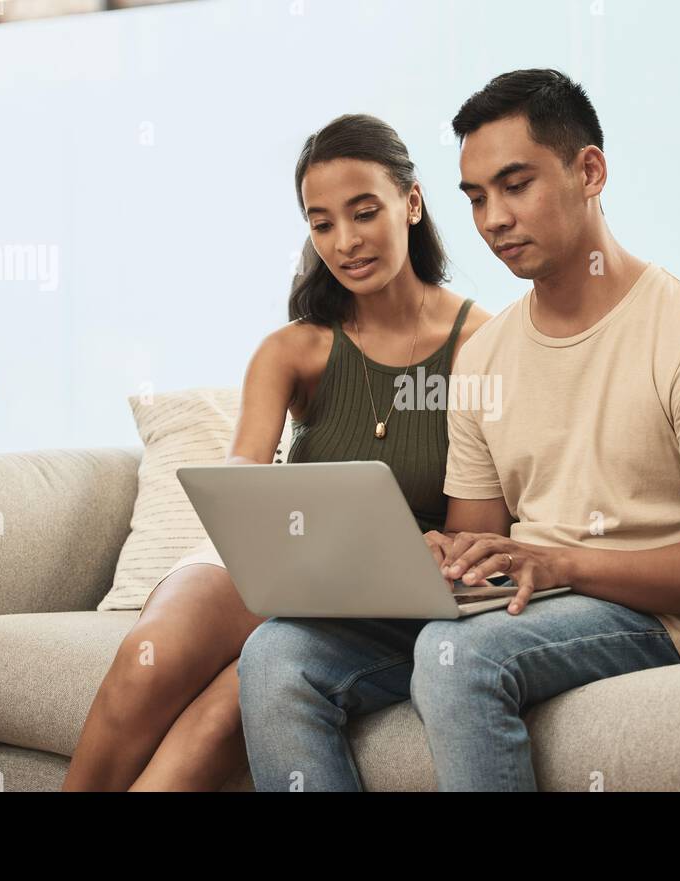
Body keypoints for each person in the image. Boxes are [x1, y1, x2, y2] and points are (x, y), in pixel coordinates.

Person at [236, 69, 680, 791]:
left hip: (647, 616)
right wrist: (433, 553)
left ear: (589, 171)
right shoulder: (487, 356)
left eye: (515, 185)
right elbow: (478, 536)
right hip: (522, 600)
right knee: (277, 656)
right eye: (476, 197)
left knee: (459, 656)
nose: (493, 217)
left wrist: (562, 563)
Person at [61, 113, 489, 791]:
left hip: (384, 595)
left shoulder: (479, 344)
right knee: (149, 657)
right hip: (279, 565)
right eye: (322, 223)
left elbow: (479, 527)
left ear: (411, 203)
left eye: (364, 211)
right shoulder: (294, 349)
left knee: (221, 716)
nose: (344, 242)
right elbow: (244, 479)